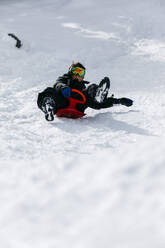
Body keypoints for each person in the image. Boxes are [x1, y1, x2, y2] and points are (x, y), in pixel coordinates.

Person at [37, 62, 133, 121]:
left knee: (92, 89)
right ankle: (49, 106)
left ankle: (98, 95)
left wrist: (119, 101)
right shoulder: (65, 79)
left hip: (79, 106)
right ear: (71, 72)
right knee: (49, 91)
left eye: (82, 73)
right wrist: (64, 88)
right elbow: (58, 84)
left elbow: (98, 105)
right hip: (62, 103)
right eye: (77, 72)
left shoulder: (83, 87)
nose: (79, 75)